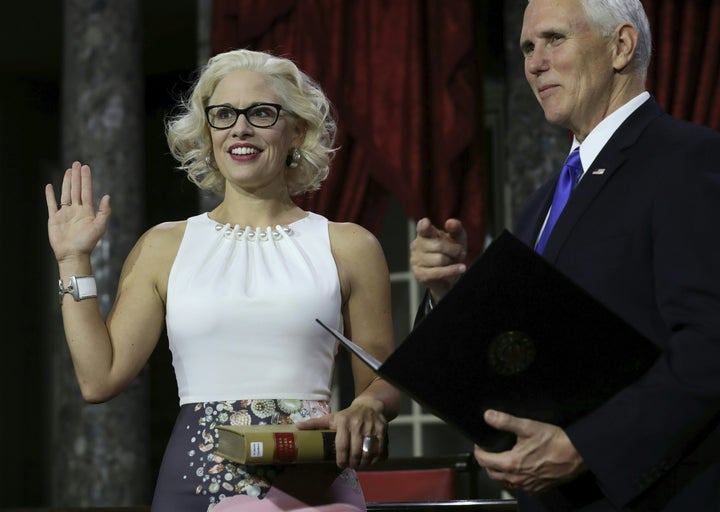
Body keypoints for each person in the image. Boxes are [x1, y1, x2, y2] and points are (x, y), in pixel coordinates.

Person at [46, 48, 400, 512]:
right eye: (224, 114)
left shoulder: (349, 245)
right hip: (195, 483)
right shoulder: (164, 246)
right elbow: (99, 379)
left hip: (314, 482)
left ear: (296, 129)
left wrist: (368, 406)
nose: (240, 127)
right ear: (208, 132)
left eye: (261, 113)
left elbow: (385, 381)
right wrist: (74, 260)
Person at [410, 0, 720, 510]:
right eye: (528, 47)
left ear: (621, 46)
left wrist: (586, 448)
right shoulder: (543, 202)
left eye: (554, 39)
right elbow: (532, 349)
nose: (534, 63)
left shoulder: (689, 162)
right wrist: (456, 293)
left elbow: (711, 345)